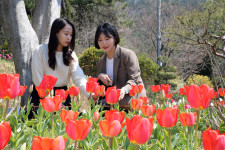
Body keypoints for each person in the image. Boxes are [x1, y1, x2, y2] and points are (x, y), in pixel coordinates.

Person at [30, 18, 89, 117]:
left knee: (62, 129)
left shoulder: (71, 55)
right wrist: (50, 101)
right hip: (41, 95)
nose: (69, 38)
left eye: (71, 35)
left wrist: (90, 95)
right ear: (56, 33)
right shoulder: (39, 51)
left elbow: (79, 78)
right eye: (66, 34)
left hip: (62, 96)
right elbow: (38, 79)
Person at [94, 22, 146, 109]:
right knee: (95, 104)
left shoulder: (128, 55)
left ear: (115, 38)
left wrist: (124, 90)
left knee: (101, 105)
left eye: (107, 39)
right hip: (112, 100)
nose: (104, 43)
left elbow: (134, 80)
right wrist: (100, 76)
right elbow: (98, 82)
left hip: (130, 97)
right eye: (100, 40)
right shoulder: (101, 62)